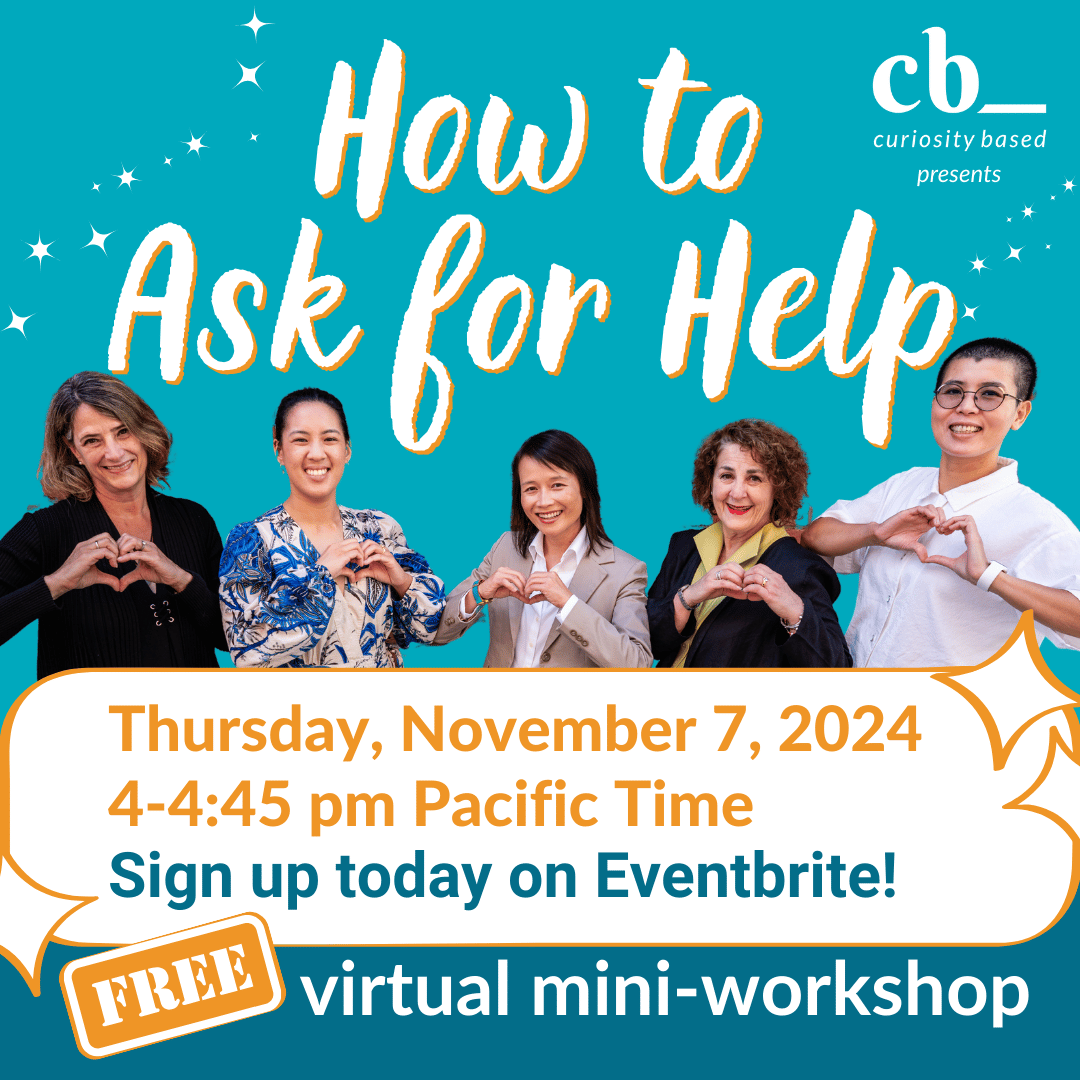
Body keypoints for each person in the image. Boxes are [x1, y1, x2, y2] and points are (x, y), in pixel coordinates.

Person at [801, 337, 1080, 667]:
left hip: (950, 713)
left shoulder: (1040, 522)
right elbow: (814, 537)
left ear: (1019, 414)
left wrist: (990, 577)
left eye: (990, 394)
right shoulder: (905, 484)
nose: (966, 406)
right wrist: (875, 532)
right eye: (952, 391)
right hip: (862, 711)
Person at [0, 371, 226, 678]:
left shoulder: (194, 519)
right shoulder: (45, 530)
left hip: (190, 724)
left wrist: (181, 581)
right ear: (74, 452)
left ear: (144, 431)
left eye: (123, 432)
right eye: (92, 440)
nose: (114, 452)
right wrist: (58, 583)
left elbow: (234, 639)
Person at [219, 388, 445, 667]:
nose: (316, 453)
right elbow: (247, 653)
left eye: (330, 439)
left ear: (347, 450)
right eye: (301, 440)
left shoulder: (379, 528)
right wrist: (321, 578)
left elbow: (426, 629)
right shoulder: (253, 541)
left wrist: (401, 582)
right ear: (278, 449)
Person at [434, 430, 651, 667]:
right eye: (531, 489)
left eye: (557, 485)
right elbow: (435, 630)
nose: (544, 501)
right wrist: (481, 593)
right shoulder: (504, 548)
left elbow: (637, 664)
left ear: (585, 489)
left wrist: (569, 604)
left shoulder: (625, 572)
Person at [647, 419, 851, 668]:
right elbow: (648, 643)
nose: (736, 492)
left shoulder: (799, 568)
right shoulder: (683, 546)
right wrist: (689, 596)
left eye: (754, 479)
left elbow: (836, 667)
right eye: (726, 476)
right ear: (710, 483)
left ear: (777, 489)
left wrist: (794, 609)